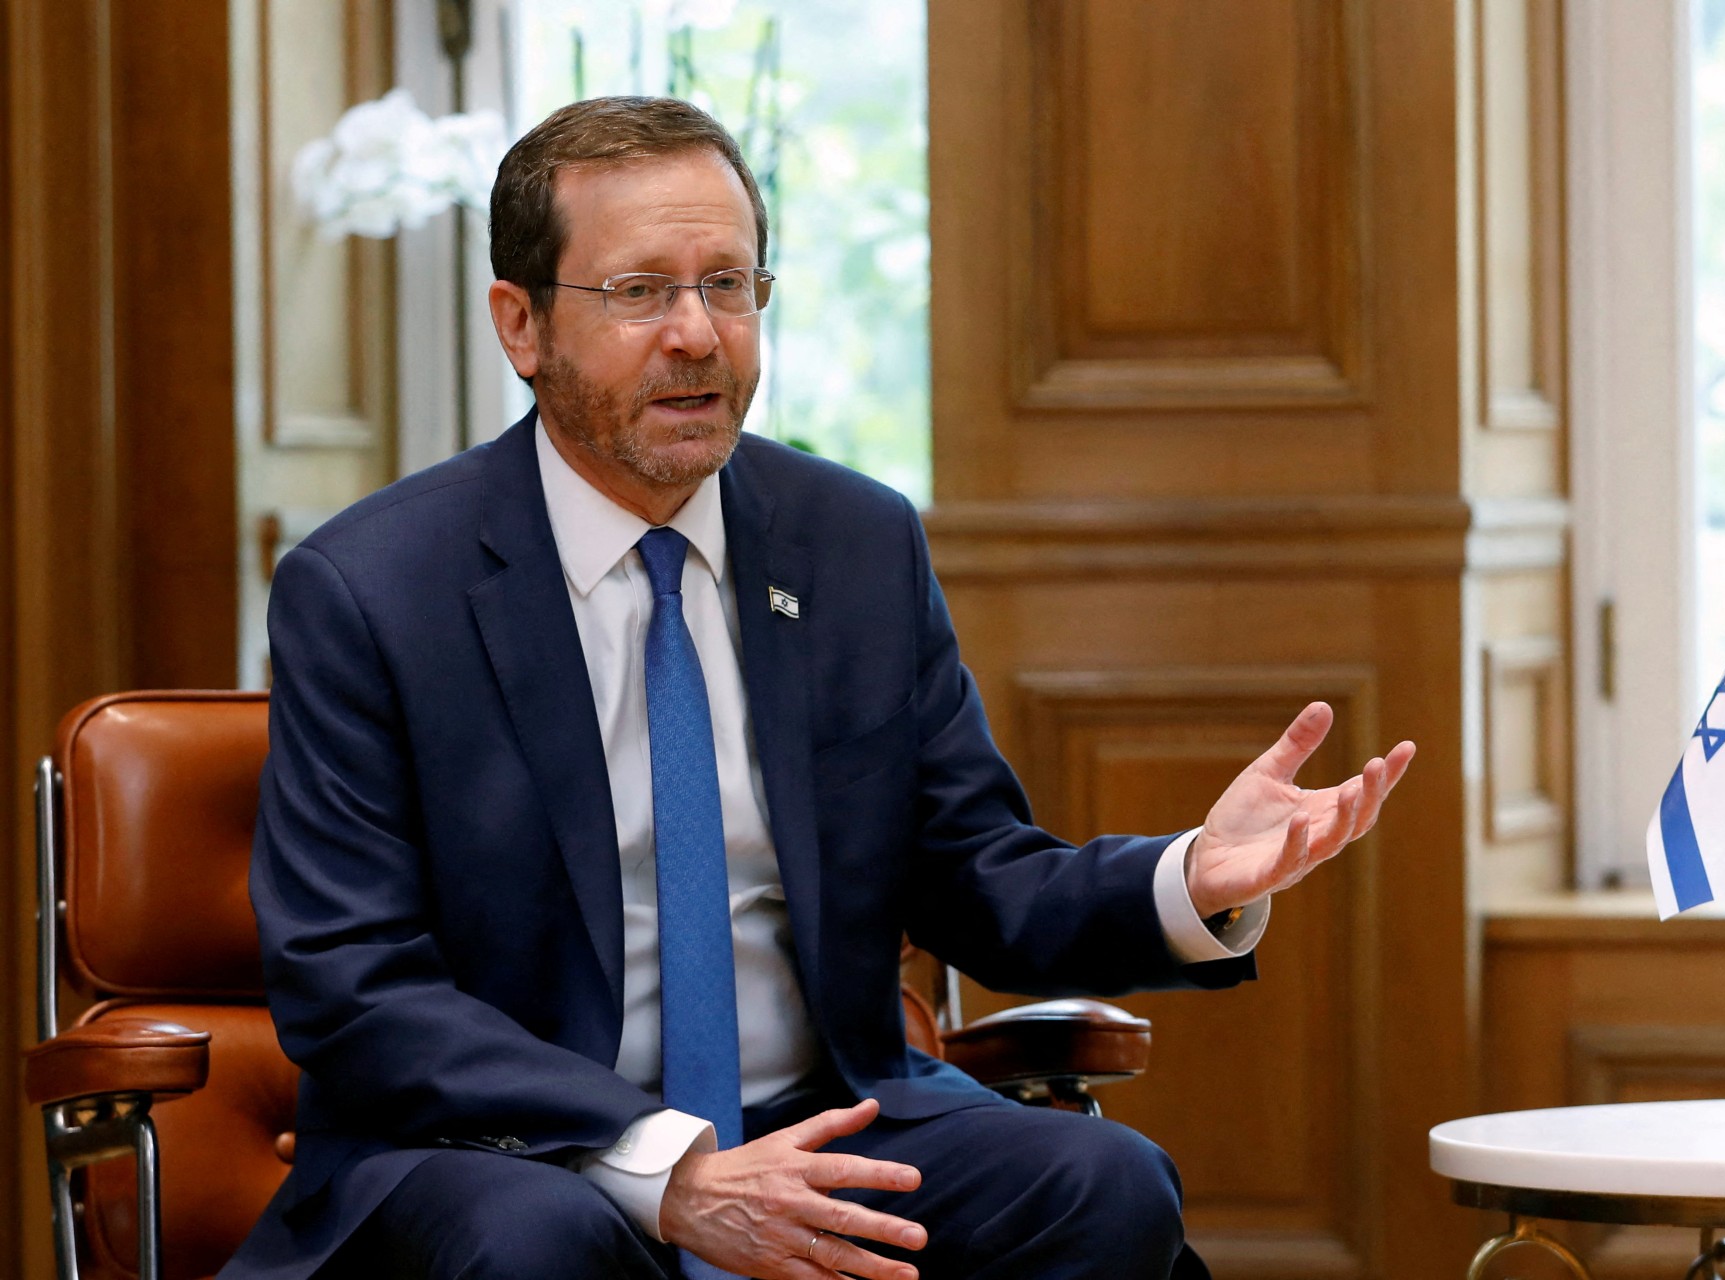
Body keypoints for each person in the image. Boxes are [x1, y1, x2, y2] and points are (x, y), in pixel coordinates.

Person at [225, 96, 1414, 1280]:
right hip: (512, 1153)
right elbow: (354, 985)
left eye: (729, 285)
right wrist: (670, 1164)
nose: (696, 333)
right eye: (640, 292)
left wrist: (1190, 875)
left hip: (819, 1113)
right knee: (541, 1242)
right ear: (521, 324)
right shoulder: (374, 587)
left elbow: (977, 874)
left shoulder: (852, 543)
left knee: (1101, 1186)